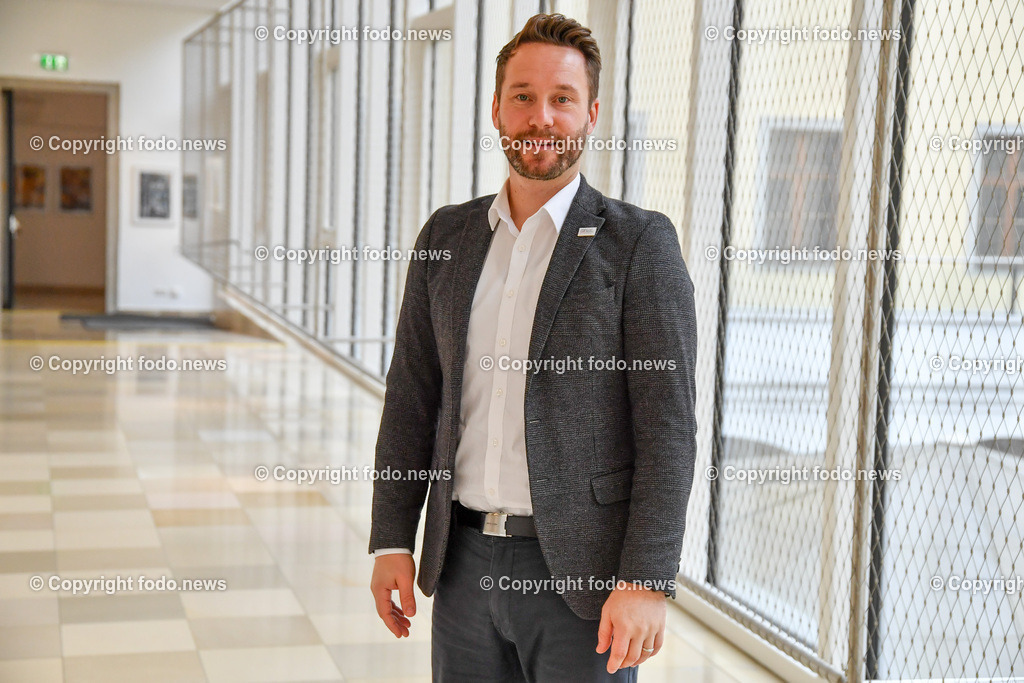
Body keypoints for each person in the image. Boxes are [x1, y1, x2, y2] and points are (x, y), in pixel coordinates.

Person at [369, 12, 697, 682]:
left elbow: (668, 428)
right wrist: (391, 538)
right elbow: (411, 396)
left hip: (581, 575)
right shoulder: (448, 237)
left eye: (562, 98)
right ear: (497, 107)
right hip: (459, 564)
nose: (540, 116)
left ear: (591, 113)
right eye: (522, 96)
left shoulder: (638, 245)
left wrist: (646, 578)